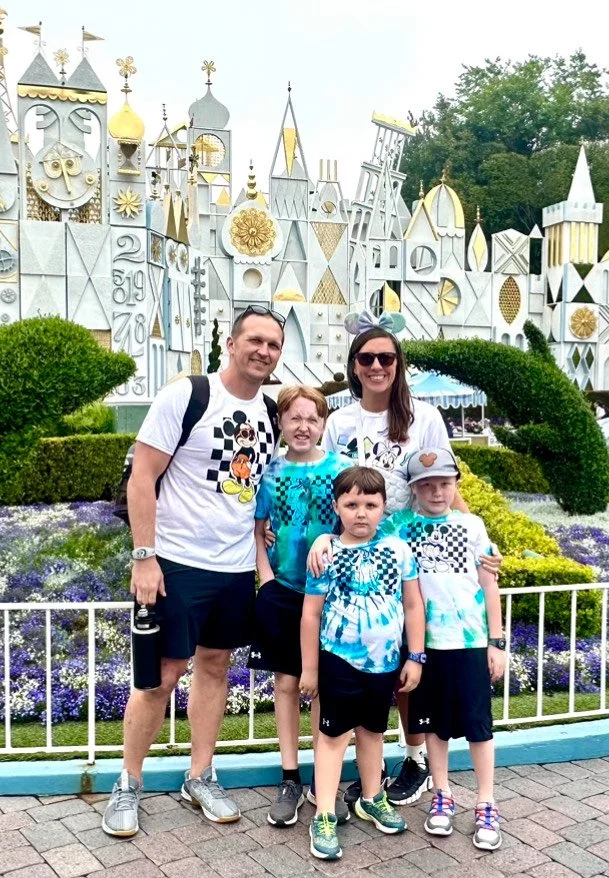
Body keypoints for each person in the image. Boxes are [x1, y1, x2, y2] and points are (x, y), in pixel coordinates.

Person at [102, 305, 284, 837]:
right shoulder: (188, 395)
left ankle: (200, 775)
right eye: (254, 340)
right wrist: (144, 556)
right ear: (231, 343)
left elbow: (255, 489)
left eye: (273, 344)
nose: (263, 351)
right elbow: (143, 477)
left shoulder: (271, 414)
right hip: (177, 563)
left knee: (215, 667)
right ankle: (128, 782)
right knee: (160, 677)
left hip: (233, 570)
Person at [319, 309, 500, 808]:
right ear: (354, 365)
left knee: (408, 654)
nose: (377, 366)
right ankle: (362, 766)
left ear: (398, 365)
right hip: (357, 547)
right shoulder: (339, 422)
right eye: (367, 358)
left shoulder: (424, 416)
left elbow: (445, 482)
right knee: (373, 655)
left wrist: (479, 539)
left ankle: (416, 758)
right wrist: (324, 539)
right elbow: (330, 489)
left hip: (411, 546)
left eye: (386, 358)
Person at [381, 447, 505, 850]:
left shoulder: (472, 526)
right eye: (427, 485)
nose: (437, 492)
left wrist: (497, 642)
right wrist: (325, 540)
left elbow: (489, 584)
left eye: (445, 484)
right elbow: (358, 533)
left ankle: (486, 801)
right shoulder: (399, 526)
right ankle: (443, 794)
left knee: (478, 726)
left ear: (455, 486)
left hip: (468, 642)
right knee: (433, 725)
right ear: (414, 489)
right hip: (425, 645)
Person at [300, 466, 426, 860]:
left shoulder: (398, 551)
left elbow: (413, 604)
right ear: (336, 506)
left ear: (383, 507)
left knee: (373, 731)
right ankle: (323, 812)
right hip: (339, 661)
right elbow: (310, 615)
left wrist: (416, 656)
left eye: (370, 504)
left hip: (385, 663)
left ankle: (372, 796)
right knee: (333, 738)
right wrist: (309, 668)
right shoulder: (326, 554)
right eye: (351, 504)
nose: (361, 513)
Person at [247, 385, 352, 827]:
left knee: (326, 685)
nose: (303, 427)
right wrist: (267, 579)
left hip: (333, 595)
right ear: (282, 424)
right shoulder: (269, 473)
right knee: (288, 684)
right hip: (286, 589)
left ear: (324, 423)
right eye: (295, 419)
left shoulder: (342, 469)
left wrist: (330, 540)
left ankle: (322, 781)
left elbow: (358, 521)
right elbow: (257, 528)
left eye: (312, 419)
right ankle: (290, 776)